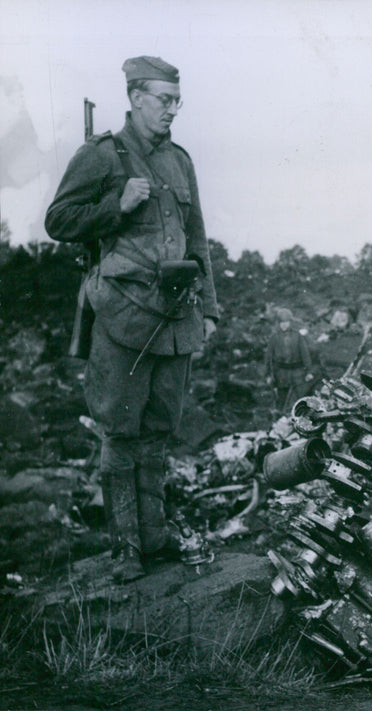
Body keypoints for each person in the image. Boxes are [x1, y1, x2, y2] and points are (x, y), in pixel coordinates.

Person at [45, 56, 219, 582]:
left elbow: (197, 238)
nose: (172, 109)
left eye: (177, 100)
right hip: (122, 314)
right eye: (164, 99)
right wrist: (116, 205)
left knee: (159, 429)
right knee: (120, 431)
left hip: (174, 316)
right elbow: (58, 221)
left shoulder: (180, 160)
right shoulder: (101, 155)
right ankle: (126, 549)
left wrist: (209, 307)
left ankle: (155, 537)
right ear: (136, 96)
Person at [266, 309, 314, 410]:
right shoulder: (274, 337)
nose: (284, 325)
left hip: (297, 371)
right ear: (278, 323)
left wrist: (309, 371)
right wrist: (268, 375)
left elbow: (305, 354)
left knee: (300, 397)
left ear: (290, 322)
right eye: (281, 322)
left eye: (286, 322)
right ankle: (279, 419)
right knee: (281, 398)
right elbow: (269, 357)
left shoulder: (297, 336)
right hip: (282, 373)